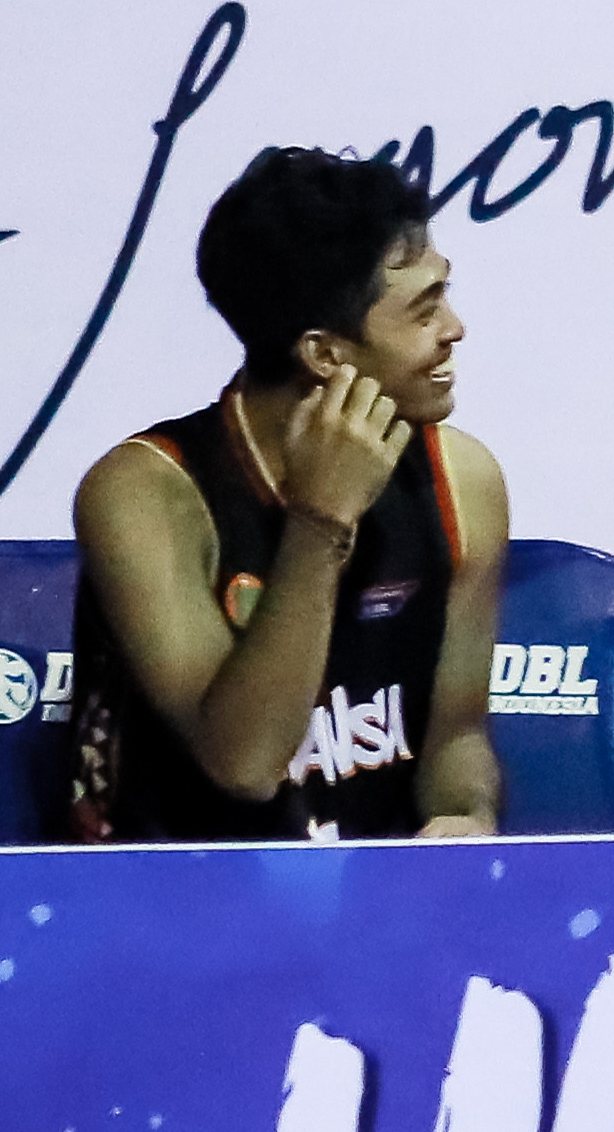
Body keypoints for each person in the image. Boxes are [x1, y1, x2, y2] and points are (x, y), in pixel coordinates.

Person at [66, 146, 514, 839]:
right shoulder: (141, 493)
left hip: (377, 894)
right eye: (424, 311)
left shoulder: (464, 479)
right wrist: (320, 520)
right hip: (181, 891)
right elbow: (244, 764)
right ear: (325, 354)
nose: (454, 329)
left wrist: (465, 814)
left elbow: (454, 736)